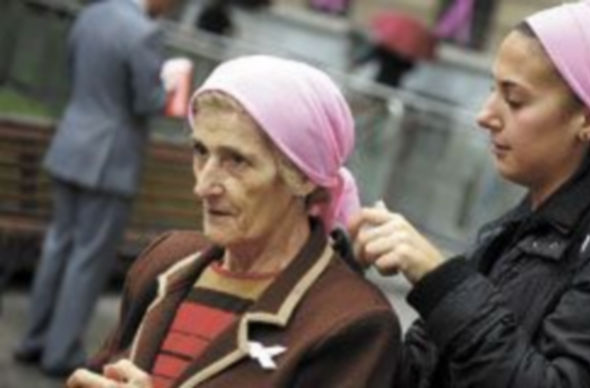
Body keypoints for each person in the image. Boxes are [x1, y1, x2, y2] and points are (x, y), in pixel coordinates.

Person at [348, 0, 590, 386]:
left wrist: (442, 283)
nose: (485, 116)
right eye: (492, 90)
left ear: (589, 119)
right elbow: (414, 373)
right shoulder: (522, 225)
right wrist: (333, 272)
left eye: (514, 99)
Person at [66, 55, 400, 388]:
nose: (203, 187)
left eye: (236, 161)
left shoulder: (350, 321)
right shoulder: (166, 262)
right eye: (200, 152)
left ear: (302, 176)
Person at [14, 0, 181, 376]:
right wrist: (169, 86)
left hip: (71, 144)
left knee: (57, 246)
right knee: (87, 260)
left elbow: (72, 72)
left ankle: (33, 340)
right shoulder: (144, 33)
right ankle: (60, 354)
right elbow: (147, 101)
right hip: (109, 160)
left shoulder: (92, 14)